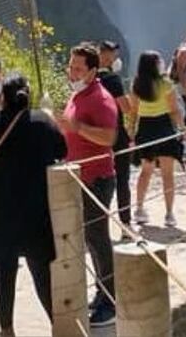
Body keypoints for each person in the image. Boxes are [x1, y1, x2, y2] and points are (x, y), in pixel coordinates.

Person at [0, 75, 66, 337]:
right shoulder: (43, 123)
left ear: (1, 98)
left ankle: (6, 329)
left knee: (4, 270)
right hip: (36, 211)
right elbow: (62, 151)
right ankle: (59, 326)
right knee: (41, 271)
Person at [55, 44, 118, 328]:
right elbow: (71, 127)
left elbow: (108, 138)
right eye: (71, 67)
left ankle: (110, 301)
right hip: (79, 177)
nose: (72, 72)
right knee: (91, 239)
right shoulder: (78, 94)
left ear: (93, 71)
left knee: (98, 238)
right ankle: (102, 293)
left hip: (97, 178)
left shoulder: (101, 98)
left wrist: (76, 128)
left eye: (78, 68)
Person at [127, 51, 184, 228]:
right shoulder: (166, 84)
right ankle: (169, 213)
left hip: (145, 128)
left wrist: (131, 132)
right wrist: (182, 128)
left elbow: (133, 112)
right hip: (164, 127)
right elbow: (174, 110)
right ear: (155, 65)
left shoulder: (136, 85)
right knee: (168, 173)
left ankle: (139, 209)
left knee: (146, 171)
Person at [96, 40, 133, 227]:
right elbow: (125, 108)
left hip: (95, 135)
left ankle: (98, 222)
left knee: (97, 179)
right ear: (106, 55)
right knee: (122, 178)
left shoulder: (88, 80)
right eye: (113, 55)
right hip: (117, 134)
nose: (116, 59)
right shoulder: (113, 80)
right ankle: (125, 222)